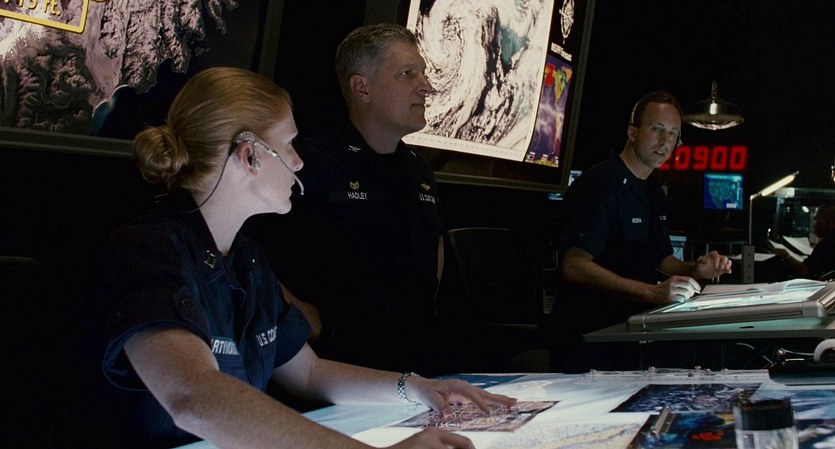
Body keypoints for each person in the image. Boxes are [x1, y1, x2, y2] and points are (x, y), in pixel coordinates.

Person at [80, 66, 515, 449]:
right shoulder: (149, 251)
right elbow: (194, 397)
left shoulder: (246, 259)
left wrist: (419, 388)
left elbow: (309, 374)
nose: (298, 161)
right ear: (250, 155)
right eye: (288, 144)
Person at [243, 23, 446, 374]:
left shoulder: (420, 171)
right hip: (329, 370)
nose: (426, 86)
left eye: (423, 72)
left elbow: (433, 255)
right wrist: (293, 314)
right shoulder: (307, 164)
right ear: (362, 88)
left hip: (416, 367)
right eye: (407, 74)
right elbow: (240, 249)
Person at [551, 89, 733, 373]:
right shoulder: (599, 184)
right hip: (589, 340)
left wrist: (695, 269)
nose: (664, 142)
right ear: (632, 132)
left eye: (672, 134)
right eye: (656, 129)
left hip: (630, 333)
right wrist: (652, 293)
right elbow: (574, 266)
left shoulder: (653, 189)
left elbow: (661, 260)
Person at [773, 200, 835, 280]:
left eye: (816, 220)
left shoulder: (827, 245)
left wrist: (786, 255)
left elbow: (805, 270)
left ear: (826, 220)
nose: (813, 224)